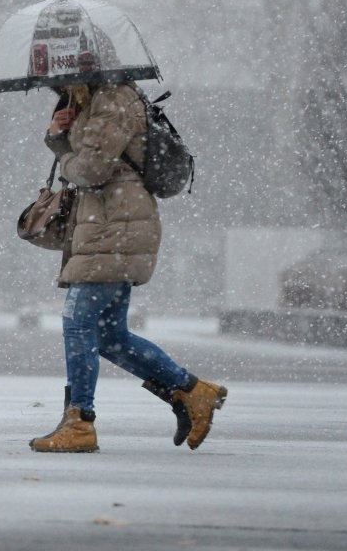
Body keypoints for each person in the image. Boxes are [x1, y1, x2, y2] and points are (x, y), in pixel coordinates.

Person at [31, 82, 227, 453]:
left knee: (78, 322)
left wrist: (59, 140)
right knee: (110, 337)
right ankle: (192, 392)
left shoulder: (112, 100)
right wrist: (66, 129)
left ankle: (80, 422)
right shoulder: (99, 100)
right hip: (110, 226)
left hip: (116, 227)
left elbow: (91, 169)